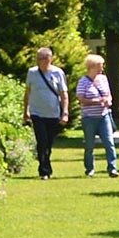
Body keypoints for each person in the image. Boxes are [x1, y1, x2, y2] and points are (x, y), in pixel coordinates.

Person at [23, 47, 69, 180]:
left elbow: (64, 94)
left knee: (48, 143)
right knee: (41, 141)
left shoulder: (58, 73)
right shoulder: (32, 73)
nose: (40, 62)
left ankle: (46, 164)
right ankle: (44, 170)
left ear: (50, 59)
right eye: (38, 59)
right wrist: (25, 111)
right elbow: (27, 93)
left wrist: (65, 112)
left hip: (53, 114)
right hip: (37, 113)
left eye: (43, 59)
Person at [78, 52, 118, 178]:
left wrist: (108, 101)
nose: (101, 68)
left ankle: (112, 169)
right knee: (89, 145)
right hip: (89, 118)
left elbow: (109, 95)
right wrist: (97, 101)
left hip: (104, 116)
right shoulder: (83, 82)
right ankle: (89, 169)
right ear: (91, 66)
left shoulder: (103, 79)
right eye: (99, 66)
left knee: (109, 143)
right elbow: (81, 99)